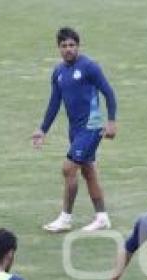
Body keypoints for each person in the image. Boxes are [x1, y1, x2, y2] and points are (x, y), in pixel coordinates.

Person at [32, 27, 117, 233]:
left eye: (72, 45)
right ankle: (102, 217)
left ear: (78, 46)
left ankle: (65, 218)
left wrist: (112, 121)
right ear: (58, 48)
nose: (68, 49)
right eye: (64, 46)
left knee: (68, 168)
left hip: (92, 126)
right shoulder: (58, 72)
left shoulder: (89, 67)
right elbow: (54, 102)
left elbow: (109, 93)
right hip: (76, 130)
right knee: (88, 171)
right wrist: (42, 130)